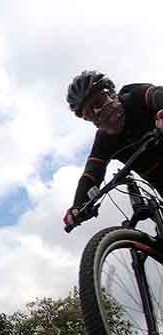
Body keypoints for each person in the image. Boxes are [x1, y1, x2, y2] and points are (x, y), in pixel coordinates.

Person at [63, 71, 163, 228]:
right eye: (89, 113)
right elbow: (91, 175)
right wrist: (77, 208)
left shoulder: (135, 96)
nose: (97, 113)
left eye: (98, 102)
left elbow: (158, 95)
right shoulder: (104, 140)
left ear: (111, 93)